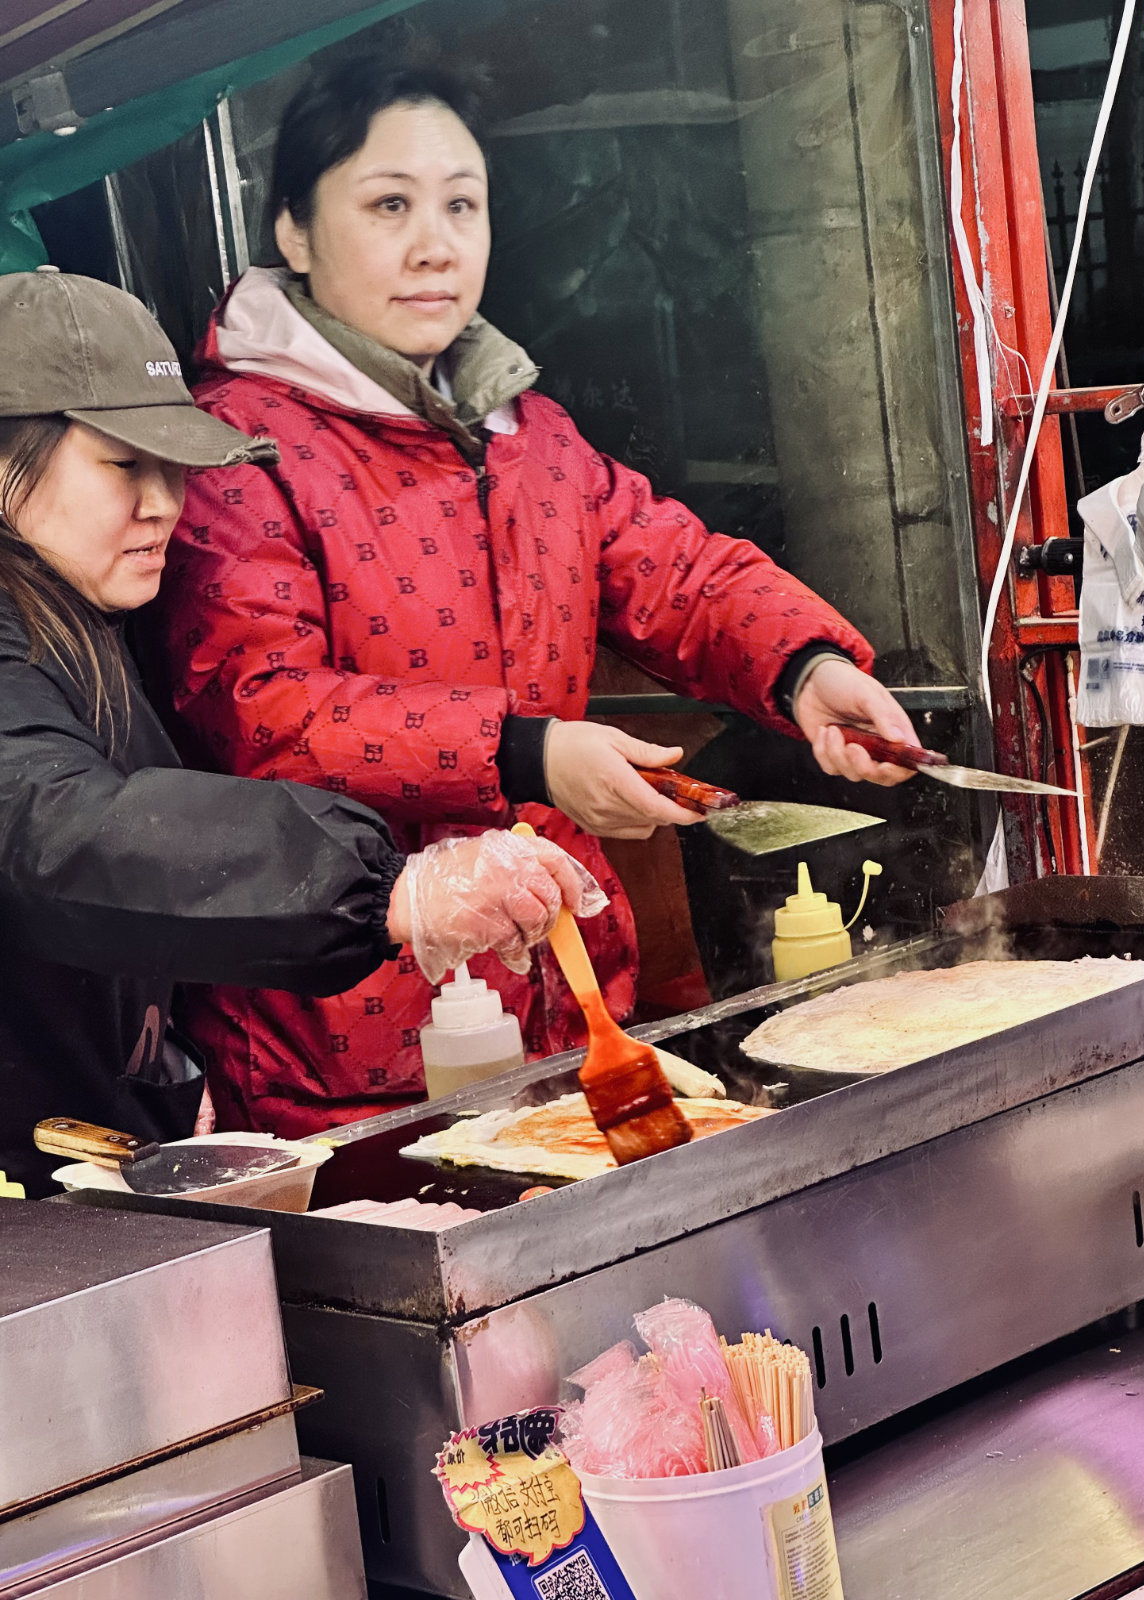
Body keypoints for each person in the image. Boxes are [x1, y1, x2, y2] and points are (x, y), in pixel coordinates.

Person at [148, 58, 920, 1138]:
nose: (436, 244)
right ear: (294, 231)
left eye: (462, 203)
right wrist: (527, 753)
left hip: (574, 1008)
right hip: (352, 1047)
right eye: (388, 205)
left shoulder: (527, 435)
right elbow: (267, 712)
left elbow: (677, 572)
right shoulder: (241, 453)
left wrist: (806, 667)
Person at [0, 267, 600, 1196]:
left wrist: (166, 1075)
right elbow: (49, 829)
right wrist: (381, 888)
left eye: (174, 464)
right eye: (124, 463)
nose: (165, 502)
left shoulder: (76, 617)